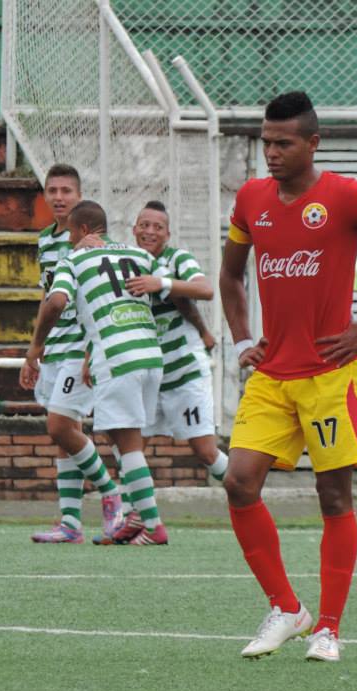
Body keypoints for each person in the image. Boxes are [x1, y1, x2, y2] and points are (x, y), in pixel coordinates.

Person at [219, 91, 357, 662]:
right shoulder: (251, 199)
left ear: (313, 143)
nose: (271, 153)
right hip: (272, 373)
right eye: (266, 141)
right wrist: (243, 339)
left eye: (283, 143)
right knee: (239, 482)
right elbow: (231, 275)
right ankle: (287, 608)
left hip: (332, 375)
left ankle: (329, 629)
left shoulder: (346, 195)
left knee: (332, 494)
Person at [26, 200, 212, 546]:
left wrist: (35, 347)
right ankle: (137, 516)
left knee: (125, 443)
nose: (67, 242)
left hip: (117, 357)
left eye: (70, 234)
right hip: (150, 357)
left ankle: (151, 524)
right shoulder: (137, 255)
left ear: (82, 231)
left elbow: (55, 302)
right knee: (123, 440)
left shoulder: (74, 259)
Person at [20, 164, 122, 544]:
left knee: (59, 425)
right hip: (54, 349)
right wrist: (34, 350)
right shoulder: (46, 241)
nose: (59, 197)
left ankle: (111, 494)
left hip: (81, 346)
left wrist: (92, 352)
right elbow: (47, 298)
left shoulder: (95, 242)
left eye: (66, 190)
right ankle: (70, 523)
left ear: (79, 196)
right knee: (64, 434)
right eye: (52, 190)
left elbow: (102, 299)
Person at [131, 201, 229, 486]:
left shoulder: (177, 259)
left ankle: (245, 491)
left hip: (184, 375)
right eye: (144, 225)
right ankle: (128, 519)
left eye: (157, 227)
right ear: (134, 229)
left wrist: (160, 283)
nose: (150, 232)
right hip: (147, 378)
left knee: (206, 452)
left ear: (168, 233)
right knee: (131, 451)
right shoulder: (127, 264)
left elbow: (205, 290)